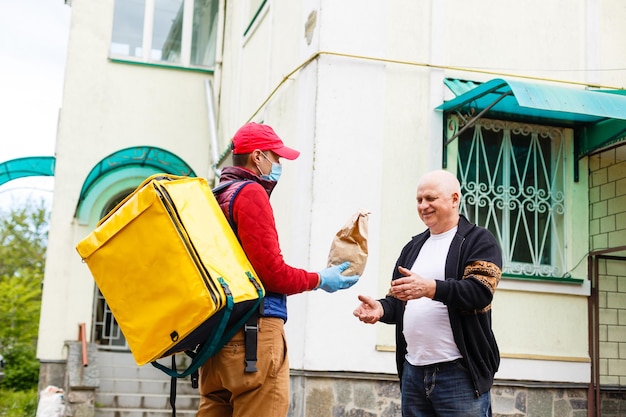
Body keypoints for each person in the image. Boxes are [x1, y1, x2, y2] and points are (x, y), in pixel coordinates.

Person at [197, 121, 359, 417]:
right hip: (252, 337)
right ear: (257, 157)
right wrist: (320, 279)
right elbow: (271, 273)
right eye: (276, 156)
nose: (280, 163)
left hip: (216, 340)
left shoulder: (216, 195)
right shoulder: (250, 193)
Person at [353, 169, 502, 417]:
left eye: (430, 198)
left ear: (455, 199)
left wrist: (430, 288)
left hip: (459, 374)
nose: (423, 206)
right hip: (413, 372)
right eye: (419, 200)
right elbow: (400, 300)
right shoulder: (412, 247)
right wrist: (381, 308)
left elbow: (480, 291)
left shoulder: (478, 240)